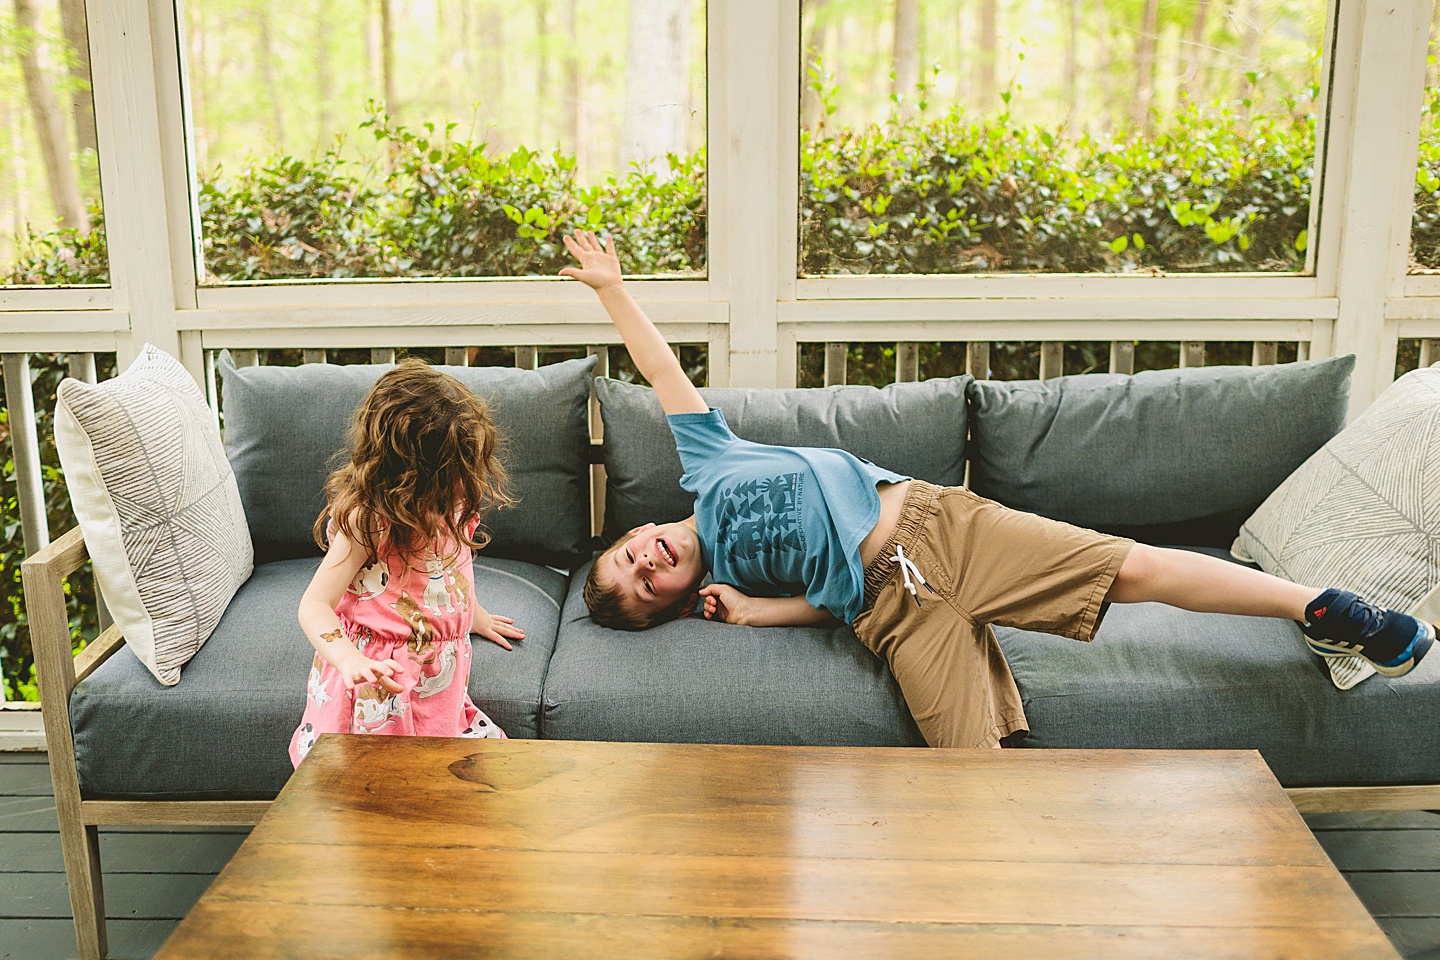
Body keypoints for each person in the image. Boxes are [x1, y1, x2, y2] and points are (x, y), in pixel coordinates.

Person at [560, 229, 1436, 749]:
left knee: (1129, 569)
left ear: (628, 534)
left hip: (940, 529)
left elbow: (662, 368)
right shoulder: (734, 585)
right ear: (673, 604)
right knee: (965, 769)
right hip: (889, 610)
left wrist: (614, 294)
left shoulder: (708, 467)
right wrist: (753, 613)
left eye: (626, 558)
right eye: (646, 589)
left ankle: (1323, 606)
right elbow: (830, 609)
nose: (645, 563)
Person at [288, 360, 524, 766]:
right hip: (380, 688)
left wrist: (471, 615)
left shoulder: (452, 503)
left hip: (434, 684)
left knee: (449, 773)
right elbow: (314, 605)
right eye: (450, 476)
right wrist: (349, 660)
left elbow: (450, 569)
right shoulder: (369, 520)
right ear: (406, 478)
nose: (463, 485)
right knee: (378, 784)